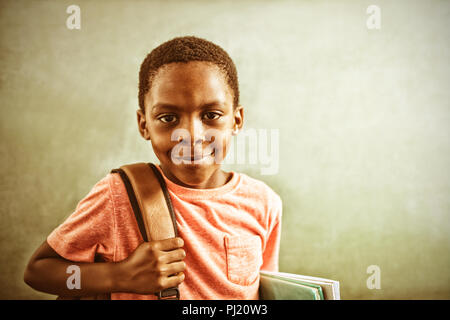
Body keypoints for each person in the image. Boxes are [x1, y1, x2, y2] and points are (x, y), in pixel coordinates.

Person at [24, 36, 282, 300]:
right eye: (168, 118)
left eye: (211, 115)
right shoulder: (118, 195)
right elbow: (39, 272)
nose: (191, 135)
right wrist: (119, 275)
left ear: (236, 120)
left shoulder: (264, 202)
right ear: (144, 124)